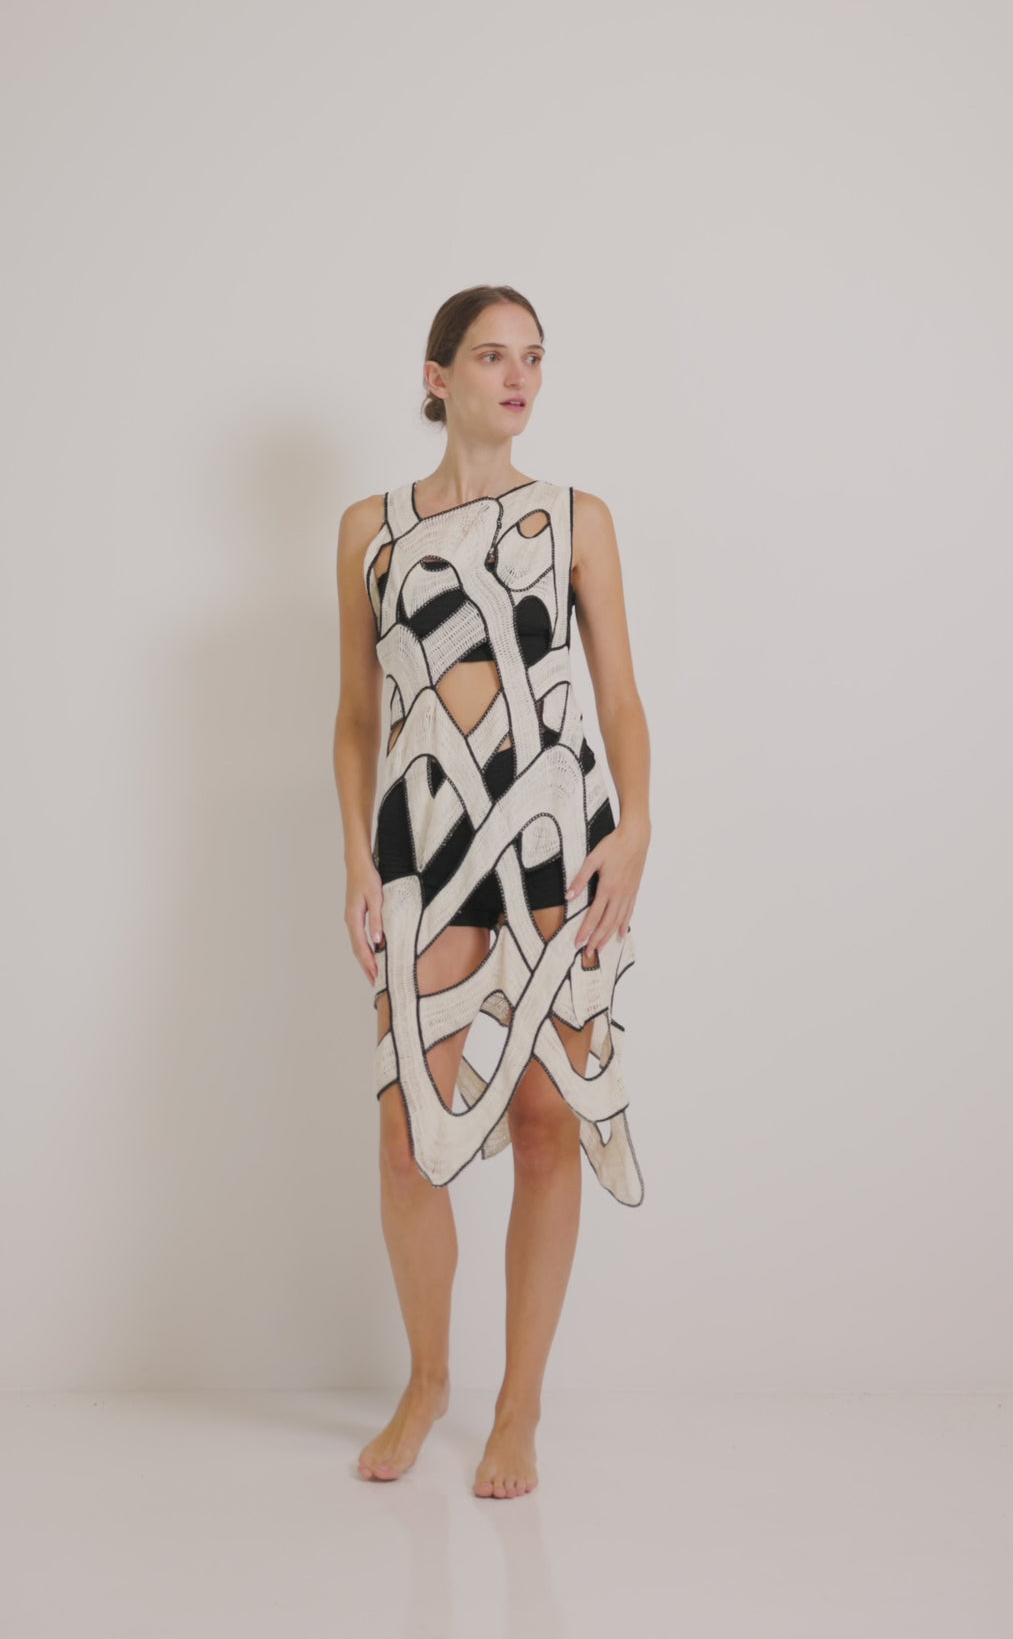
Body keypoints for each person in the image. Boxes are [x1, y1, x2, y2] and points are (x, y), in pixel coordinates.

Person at [333, 284, 651, 1498]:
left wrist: (637, 829)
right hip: (423, 854)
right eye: (489, 356)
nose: (517, 378)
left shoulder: (575, 519)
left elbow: (618, 698)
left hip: (556, 845)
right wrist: (355, 861)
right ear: (436, 377)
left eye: (532, 358)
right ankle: (427, 1382)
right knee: (407, 1138)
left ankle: (517, 1408)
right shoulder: (368, 529)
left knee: (544, 1123)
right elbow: (354, 718)